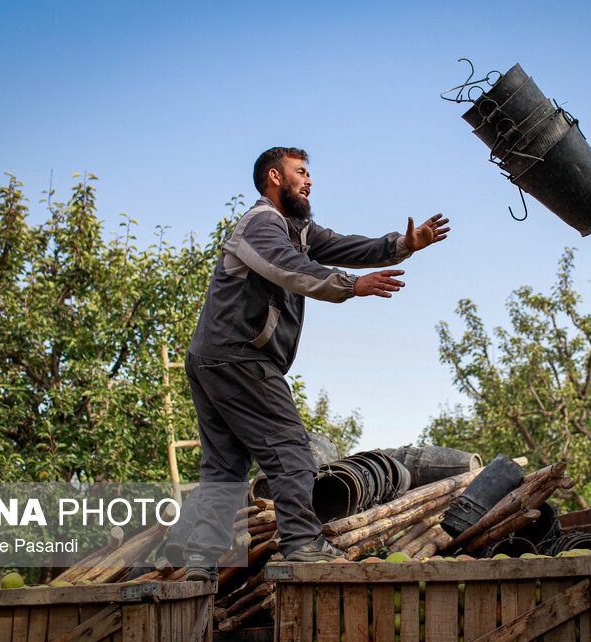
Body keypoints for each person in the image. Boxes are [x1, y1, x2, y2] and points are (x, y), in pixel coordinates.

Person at [179, 147, 449, 577]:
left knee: (225, 468)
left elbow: (346, 245)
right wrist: (351, 285)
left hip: (214, 357)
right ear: (274, 177)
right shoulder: (262, 223)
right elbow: (288, 268)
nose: (309, 181)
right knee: (290, 448)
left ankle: (200, 561)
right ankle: (303, 543)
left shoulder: (297, 229)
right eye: (300, 172)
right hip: (239, 357)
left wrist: (403, 245)